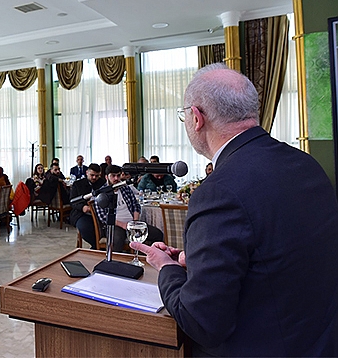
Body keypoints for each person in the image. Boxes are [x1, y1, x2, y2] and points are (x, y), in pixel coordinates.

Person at [131, 63, 338, 356]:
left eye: (184, 116)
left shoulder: (219, 192)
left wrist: (166, 268)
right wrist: (202, 262)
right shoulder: (305, 164)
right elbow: (275, 257)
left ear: (197, 117)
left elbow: (202, 322)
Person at [94, 165, 163, 252]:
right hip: (115, 224)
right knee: (117, 239)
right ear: (106, 177)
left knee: (157, 234)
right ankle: (117, 263)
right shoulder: (101, 194)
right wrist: (124, 225)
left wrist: (135, 221)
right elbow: (104, 218)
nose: (116, 178)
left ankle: (154, 258)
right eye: (113, 176)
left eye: (118, 175)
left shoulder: (125, 188)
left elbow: (136, 205)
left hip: (132, 222)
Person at [69, 164, 105, 249]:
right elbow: (72, 201)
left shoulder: (102, 183)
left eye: (97, 176)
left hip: (100, 213)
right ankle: (97, 246)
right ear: (87, 173)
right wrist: (83, 207)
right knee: (85, 228)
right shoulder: (78, 184)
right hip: (81, 213)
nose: (94, 178)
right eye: (92, 175)